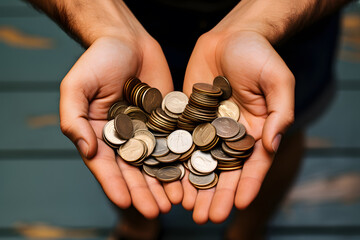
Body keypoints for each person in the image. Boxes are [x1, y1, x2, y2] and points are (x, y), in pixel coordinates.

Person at [26, 0, 351, 239]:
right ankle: (138, 227)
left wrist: (257, 22)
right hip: (131, 14)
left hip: (288, 17)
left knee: (277, 132)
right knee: (119, 159)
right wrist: (105, 24)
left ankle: (249, 230)